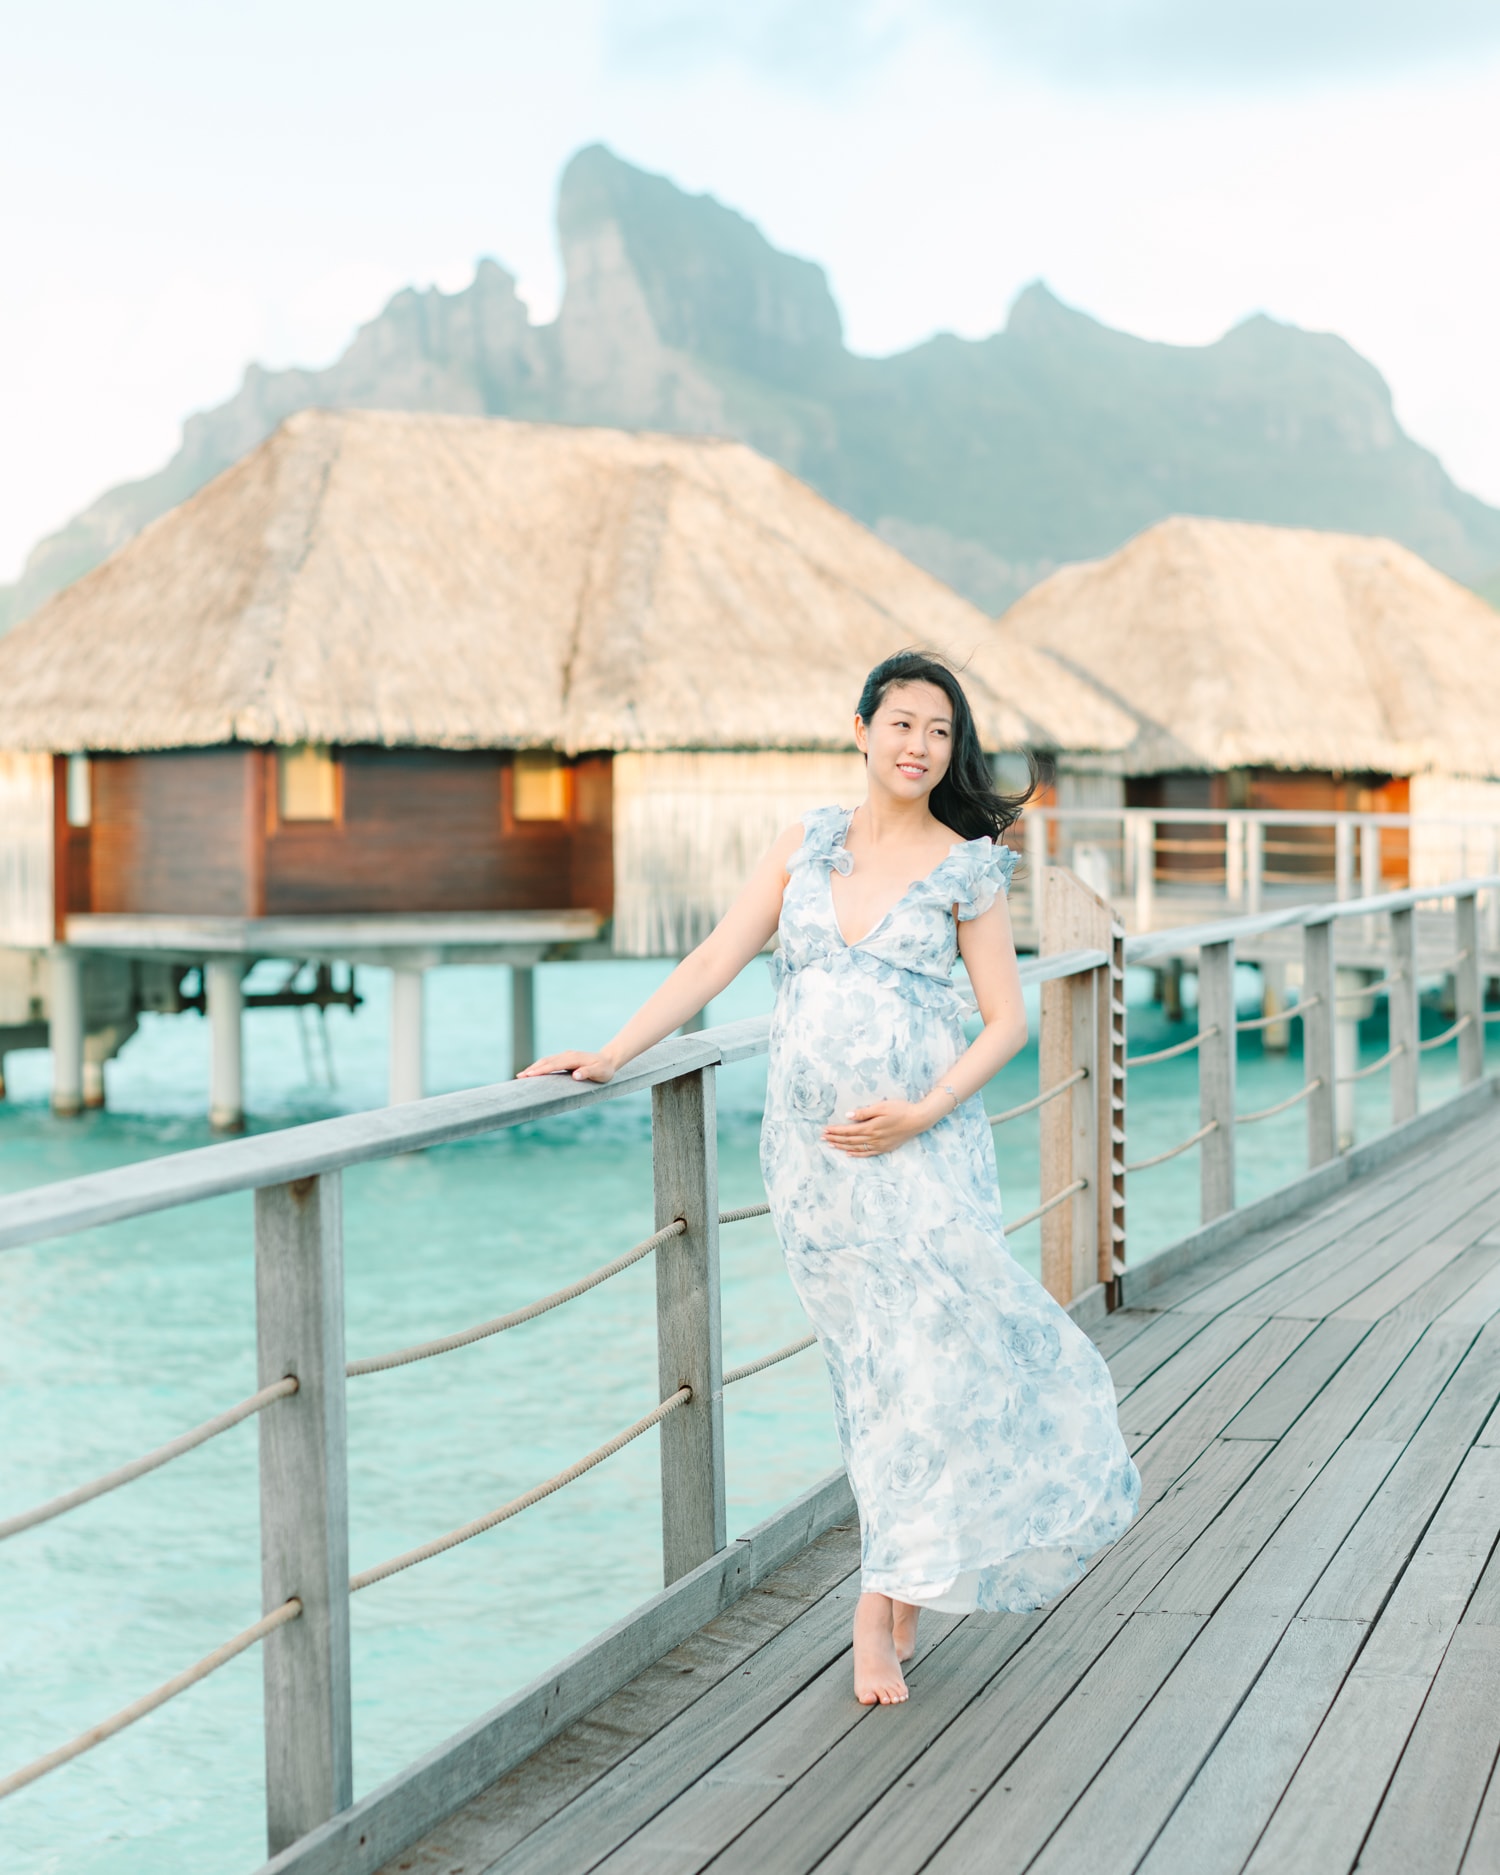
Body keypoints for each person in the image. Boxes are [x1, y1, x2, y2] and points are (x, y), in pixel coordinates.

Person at [521, 650, 1139, 1705]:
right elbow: (717, 958)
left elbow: (1006, 1023)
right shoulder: (805, 844)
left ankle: (875, 1614)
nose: (918, 745)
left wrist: (920, 1111)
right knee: (871, 1373)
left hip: (922, 1154)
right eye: (900, 723)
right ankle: (902, 1587)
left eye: (939, 731)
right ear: (861, 731)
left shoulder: (965, 866)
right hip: (813, 1170)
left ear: (953, 749)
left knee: (933, 1366)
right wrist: (615, 1051)